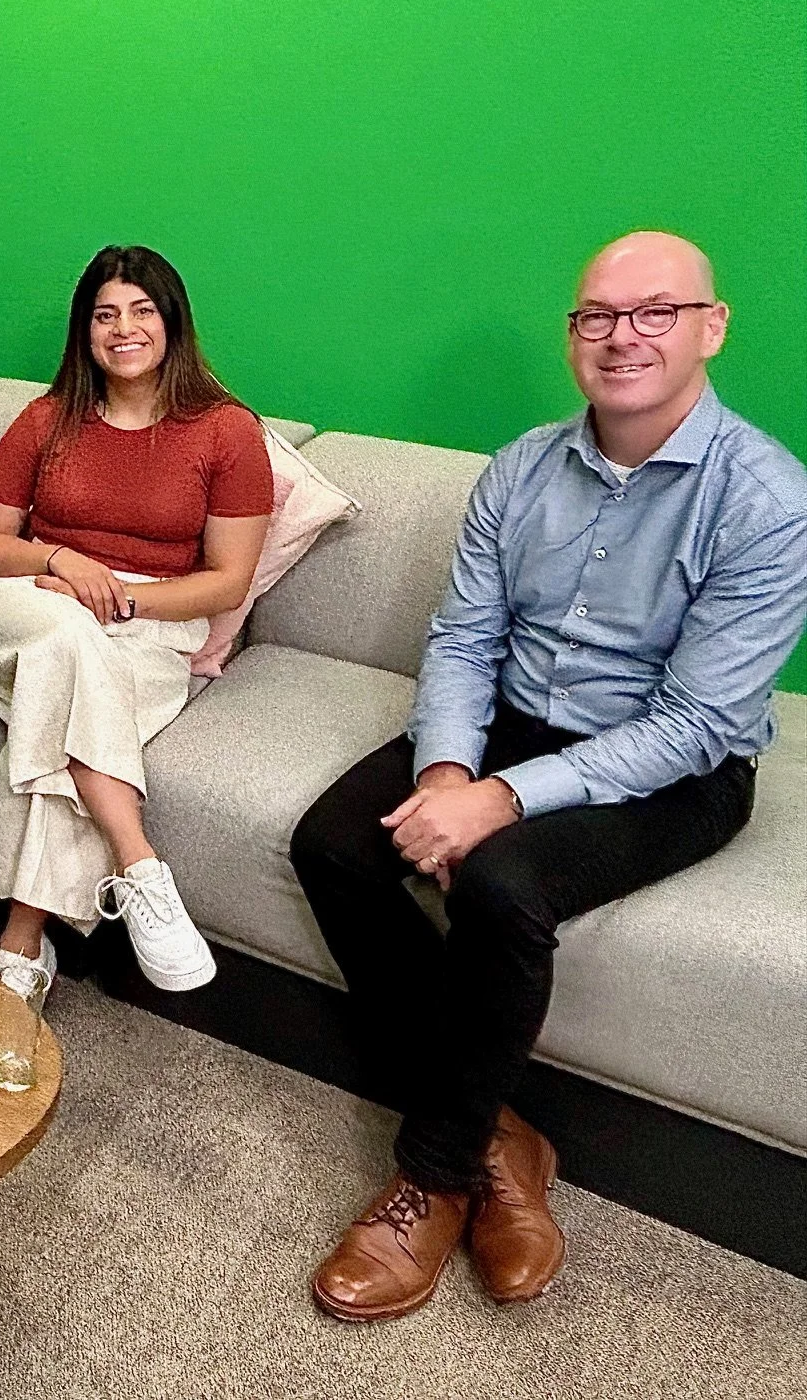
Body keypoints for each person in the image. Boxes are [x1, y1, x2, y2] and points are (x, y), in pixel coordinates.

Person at [290, 231, 807, 1323]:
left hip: (676, 767)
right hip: (517, 719)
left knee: (501, 884)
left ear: (711, 326)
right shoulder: (522, 467)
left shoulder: (766, 498)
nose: (623, 336)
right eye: (597, 315)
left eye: (654, 311)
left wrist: (500, 801)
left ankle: (431, 1174)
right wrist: (445, 773)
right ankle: (496, 1135)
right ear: (573, 336)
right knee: (336, 843)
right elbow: (466, 643)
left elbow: (700, 720)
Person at [0, 245, 273, 992]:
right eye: (105, 314)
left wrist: (124, 600)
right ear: (85, 331)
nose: (123, 329)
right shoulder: (45, 420)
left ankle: (20, 952)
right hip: (29, 600)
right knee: (66, 640)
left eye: (141, 311)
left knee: (61, 692)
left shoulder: (227, 433)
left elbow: (227, 583)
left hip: (151, 621)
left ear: (171, 324)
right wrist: (61, 563)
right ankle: (139, 863)